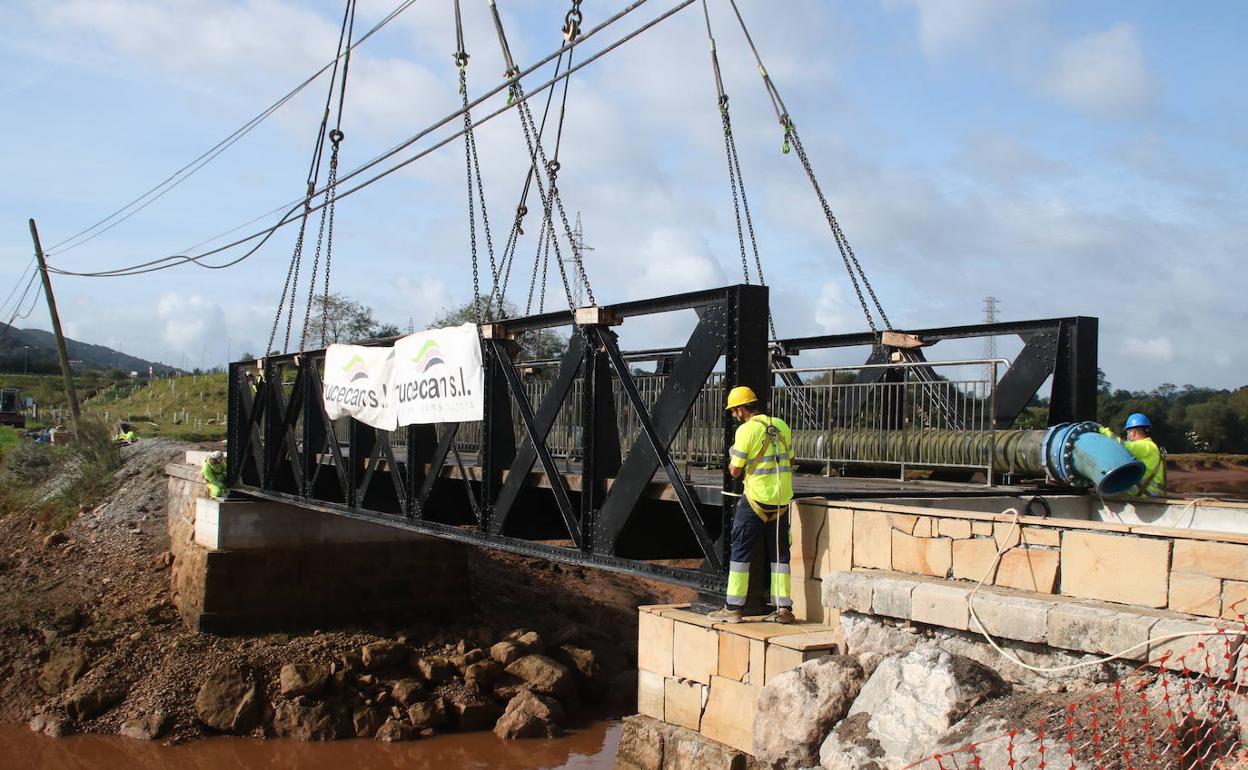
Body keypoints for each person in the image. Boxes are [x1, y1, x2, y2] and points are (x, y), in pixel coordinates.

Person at [708, 386, 796, 624]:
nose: (733, 415)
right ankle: (784, 608)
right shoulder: (782, 425)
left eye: (733, 411)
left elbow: (735, 471)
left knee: (740, 554)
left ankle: (733, 608)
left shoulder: (746, 430)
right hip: (781, 501)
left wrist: (733, 457)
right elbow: (791, 458)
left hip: (756, 499)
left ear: (739, 409)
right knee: (780, 556)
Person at [1099, 413, 1166, 498]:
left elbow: (1121, 445)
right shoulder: (1149, 445)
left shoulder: (1145, 446)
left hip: (1147, 494)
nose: (1128, 436)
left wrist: (1103, 431)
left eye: (1128, 433)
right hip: (1149, 492)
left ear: (1133, 432)